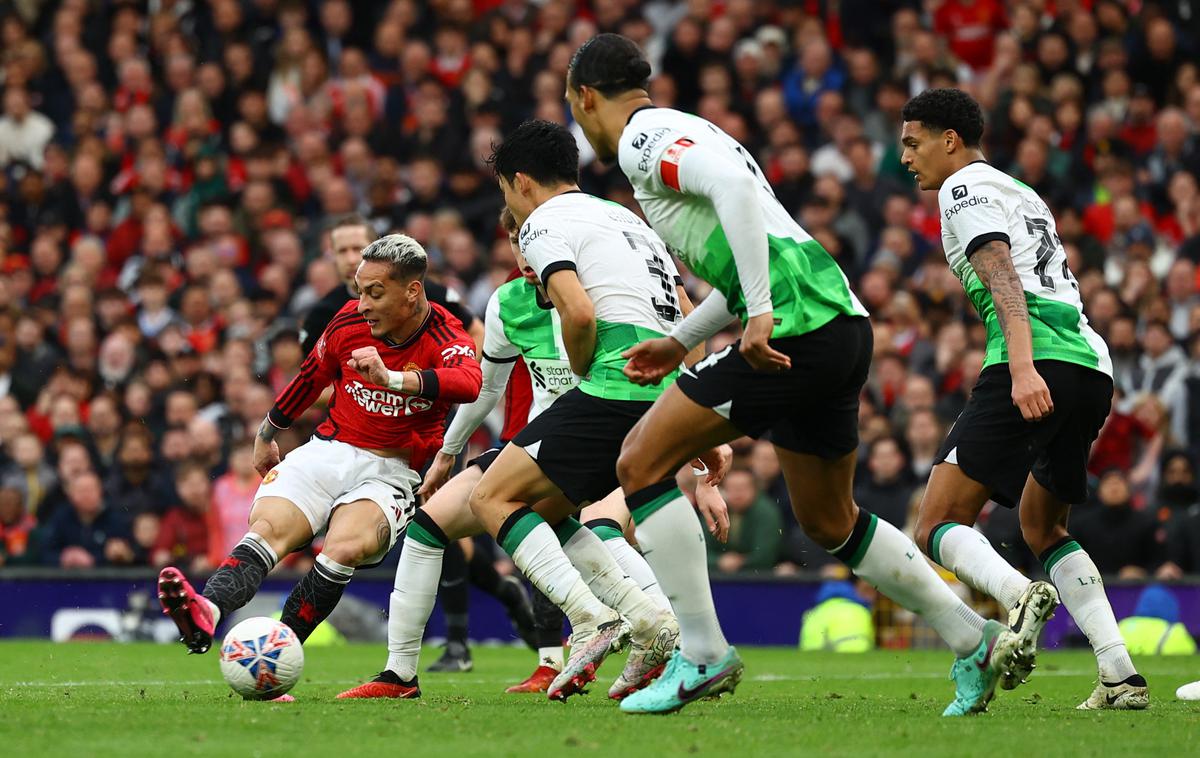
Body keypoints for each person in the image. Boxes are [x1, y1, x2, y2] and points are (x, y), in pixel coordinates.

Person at [566, 34, 1022, 717]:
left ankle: (701, 653)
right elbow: (755, 236)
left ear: (584, 99)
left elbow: (732, 204)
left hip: (794, 328)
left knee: (640, 462)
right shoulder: (691, 130)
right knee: (829, 518)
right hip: (839, 323)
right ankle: (973, 637)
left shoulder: (641, 139)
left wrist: (762, 309)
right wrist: (681, 340)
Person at [339, 205, 724, 700]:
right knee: (429, 526)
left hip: (605, 430)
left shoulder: (601, 297)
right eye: (518, 243)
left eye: (532, 242)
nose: (526, 254)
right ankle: (400, 673)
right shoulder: (508, 304)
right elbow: (485, 389)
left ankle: (622, 626)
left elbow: (678, 345)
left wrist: (701, 452)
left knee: (572, 519)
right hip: (542, 442)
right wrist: (447, 454)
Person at [462, 118, 728, 703]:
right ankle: (655, 626)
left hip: (615, 384)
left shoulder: (543, 224)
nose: (509, 204)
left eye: (506, 189)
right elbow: (688, 312)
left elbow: (578, 315)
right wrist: (690, 403)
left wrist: (584, 370)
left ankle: (595, 621)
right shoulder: (625, 216)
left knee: (491, 497)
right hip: (664, 388)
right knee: (554, 508)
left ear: (522, 182)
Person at [899, 87, 1149, 710]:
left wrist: (1020, 366)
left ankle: (1017, 597)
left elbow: (1003, 275)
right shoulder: (1020, 191)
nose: (905, 157)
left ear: (948, 140)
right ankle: (1119, 674)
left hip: (1036, 356)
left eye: (913, 142)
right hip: (1090, 364)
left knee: (936, 523)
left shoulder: (963, 189)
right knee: (1043, 523)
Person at [156, 235, 483, 701]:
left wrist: (392, 379)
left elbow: (469, 383)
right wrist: (267, 432)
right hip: (330, 448)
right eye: (359, 289)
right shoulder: (348, 318)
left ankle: (275, 654)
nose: (363, 303)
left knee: (343, 547)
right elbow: (313, 374)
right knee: (268, 528)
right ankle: (209, 606)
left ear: (412, 291)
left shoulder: (444, 334)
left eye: (375, 292)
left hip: (392, 470)